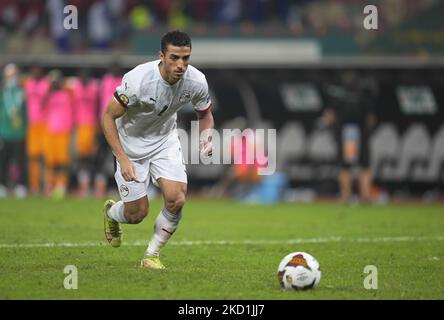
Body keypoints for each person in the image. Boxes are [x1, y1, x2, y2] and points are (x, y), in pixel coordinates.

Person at [101, 30, 214, 269]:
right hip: (130, 146)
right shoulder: (139, 80)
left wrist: (206, 136)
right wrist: (122, 159)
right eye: (174, 57)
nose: (181, 64)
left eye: (186, 58)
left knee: (176, 199)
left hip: (164, 141)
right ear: (161, 56)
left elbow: (204, 114)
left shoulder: (196, 81)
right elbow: (108, 117)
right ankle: (112, 213)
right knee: (137, 214)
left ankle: (151, 255)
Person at [321, 71, 378, 203]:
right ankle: (365, 196)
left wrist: (331, 127)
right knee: (364, 165)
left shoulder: (338, 98)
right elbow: (371, 119)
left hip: (345, 136)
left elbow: (328, 118)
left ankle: (346, 195)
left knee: (345, 166)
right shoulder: (364, 98)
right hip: (361, 135)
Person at [43, 69, 74, 198]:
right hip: (51, 131)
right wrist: (48, 90)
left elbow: (73, 86)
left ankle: (61, 185)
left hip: (63, 131)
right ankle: (50, 185)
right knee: (51, 161)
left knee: (62, 161)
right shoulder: (48, 95)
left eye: (56, 81)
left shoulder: (67, 93)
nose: (54, 83)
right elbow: (42, 105)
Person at [0, 63, 27, 198]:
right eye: (10, 75)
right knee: (4, 160)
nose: (12, 78)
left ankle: (20, 186)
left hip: (19, 132)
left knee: (20, 160)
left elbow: (26, 113)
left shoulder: (22, 92)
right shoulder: (3, 93)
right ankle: (3, 185)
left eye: (14, 75)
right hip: (4, 132)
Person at [72, 68, 98, 197]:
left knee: (91, 158)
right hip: (79, 126)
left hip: (91, 125)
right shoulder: (75, 88)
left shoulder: (94, 88)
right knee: (81, 158)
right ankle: (83, 186)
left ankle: (90, 186)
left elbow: (98, 105)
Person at [24, 65, 50, 195]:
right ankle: (34, 185)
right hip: (32, 124)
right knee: (33, 157)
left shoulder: (47, 83)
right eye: (34, 70)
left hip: (44, 123)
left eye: (38, 70)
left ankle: (46, 185)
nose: (36, 72)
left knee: (45, 157)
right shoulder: (28, 83)